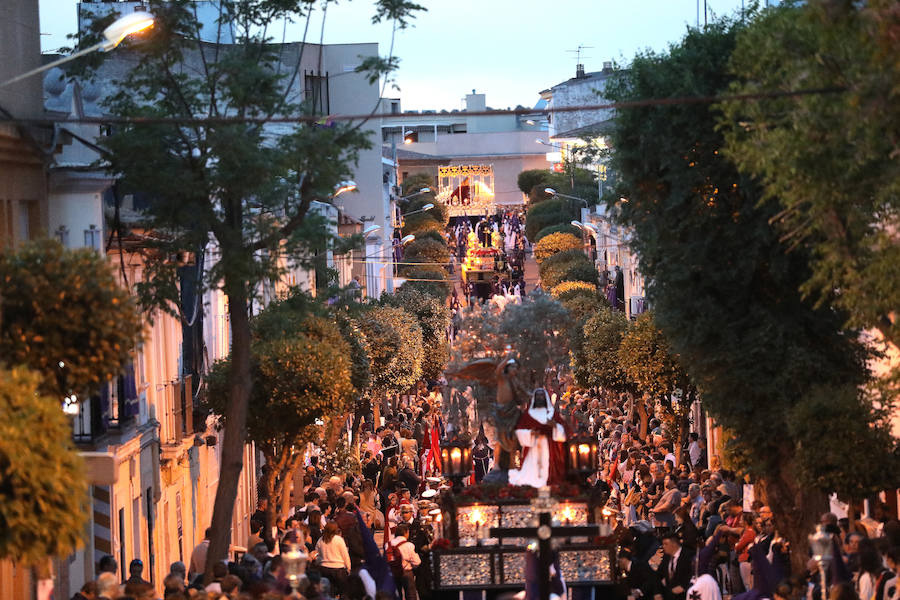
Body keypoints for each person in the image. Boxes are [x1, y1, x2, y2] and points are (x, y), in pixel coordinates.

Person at [508, 388, 569, 487]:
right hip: (533, 446)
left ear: (545, 398)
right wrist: (530, 433)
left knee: (546, 465)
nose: (540, 398)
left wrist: (554, 426)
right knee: (531, 471)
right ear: (534, 398)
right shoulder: (528, 415)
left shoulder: (552, 413)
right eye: (538, 396)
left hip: (549, 445)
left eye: (542, 396)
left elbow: (563, 431)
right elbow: (519, 430)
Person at [315, 521, 351, 597]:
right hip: (338, 569)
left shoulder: (321, 540)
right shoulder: (339, 540)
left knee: (328, 593)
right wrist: (348, 567)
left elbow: (316, 553)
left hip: (324, 569)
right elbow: (345, 555)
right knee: (344, 593)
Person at [390, 523, 421, 600]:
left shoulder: (389, 544)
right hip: (406, 572)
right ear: (406, 533)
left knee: (397, 594)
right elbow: (417, 562)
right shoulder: (409, 545)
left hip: (393, 572)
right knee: (410, 595)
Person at [657, 532, 692, 600]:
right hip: (668, 594)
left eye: (666, 544)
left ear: (674, 544)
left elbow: (693, 574)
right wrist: (657, 592)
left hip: (684, 595)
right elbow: (659, 574)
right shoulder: (666, 556)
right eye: (663, 544)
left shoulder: (689, 556)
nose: (663, 546)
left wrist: (684, 587)